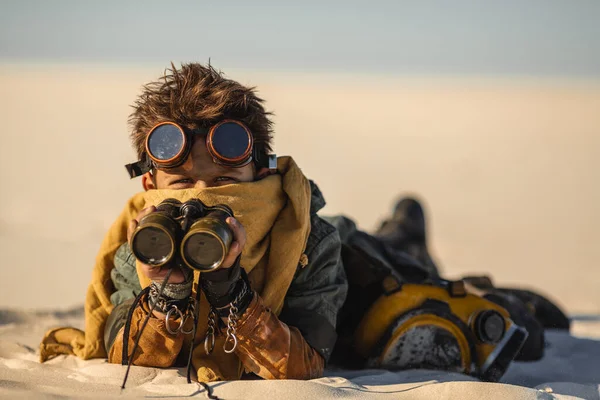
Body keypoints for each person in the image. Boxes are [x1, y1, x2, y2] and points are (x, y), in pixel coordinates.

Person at [39, 62, 568, 383]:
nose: (204, 199)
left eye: (226, 184)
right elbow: (123, 353)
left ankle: (415, 237)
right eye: (183, 188)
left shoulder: (308, 234)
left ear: (266, 174)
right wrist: (164, 295)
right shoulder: (139, 243)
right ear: (148, 189)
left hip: (355, 262)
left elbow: (304, 365)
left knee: (421, 293)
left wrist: (232, 293)